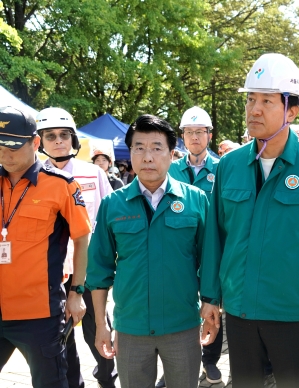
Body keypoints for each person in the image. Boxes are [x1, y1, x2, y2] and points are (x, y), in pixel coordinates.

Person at [199, 53, 299, 388]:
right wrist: (209, 296)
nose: (254, 109)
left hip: (293, 312)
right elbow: (215, 239)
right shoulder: (228, 166)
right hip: (239, 310)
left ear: (291, 110)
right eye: (251, 99)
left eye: (266, 100)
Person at [87, 114, 213, 388]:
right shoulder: (112, 204)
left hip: (182, 325)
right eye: (139, 148)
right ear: (130, 153)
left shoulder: (196, 200)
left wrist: (211, 307)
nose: (147, 157)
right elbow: (98, 270)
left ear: (172, 154)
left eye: (157, 148)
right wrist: (100, 324)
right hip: (132, 328)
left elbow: (210, 261)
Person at [0, 106, 91, 387]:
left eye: (14, 146)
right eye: (0, 145)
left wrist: (76, 291)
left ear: (35, 143)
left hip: (39, 315)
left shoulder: (61, 185)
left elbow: (81, 238)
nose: (6, 154)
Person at [36, 107, 117, 388]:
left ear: (73, 139)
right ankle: (73, 382)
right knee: (60, 335)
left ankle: (107, 376)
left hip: (91, 268)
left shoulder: (94, 173)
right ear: (40, 142)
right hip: (51, 270)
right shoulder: (33, 178)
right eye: (50, 136)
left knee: (97, 328)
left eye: (63, 135)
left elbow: (110, 219)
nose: (58, 141)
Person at [167, 105, 222, 385]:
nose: (195, 137)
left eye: (200, 132)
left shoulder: (222, 168)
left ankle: (210, 360)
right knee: (177, 302)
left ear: (209, 136)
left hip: (213, 248)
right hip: (180, 248)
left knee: (212, 302)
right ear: (183, 137)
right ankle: (171, 363)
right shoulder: (171, 169)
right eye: (189, 132)